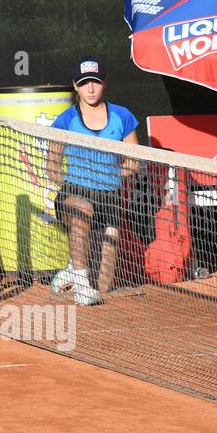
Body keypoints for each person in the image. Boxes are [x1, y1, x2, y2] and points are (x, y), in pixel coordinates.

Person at [45, 58, 140, 306]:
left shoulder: (123, 116)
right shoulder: (66, 120)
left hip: (109, 196)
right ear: (75, 85)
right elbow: (52, 165)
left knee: (105, 286)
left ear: (104, 83)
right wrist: (71, 185)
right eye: (84, 83)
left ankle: (70, 269)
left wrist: (109, 176)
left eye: (95, 82)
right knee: (81, 209)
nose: (90, 89)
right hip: (75, 193)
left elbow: (133, 162)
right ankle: (81, 283)